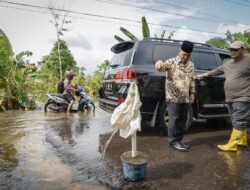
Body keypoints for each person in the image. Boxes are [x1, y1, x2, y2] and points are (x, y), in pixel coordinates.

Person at [197, 40, 250, 152]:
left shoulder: (248, 61)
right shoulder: (228, 64)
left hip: (243, 96)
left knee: (238, 120)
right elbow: (215, 71)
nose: (233, 51)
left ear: (243, 50)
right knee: (236, 120)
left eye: (236, 49)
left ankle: (232, 145)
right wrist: (201, 75)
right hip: (230, 97)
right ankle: (242, 140)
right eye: (231, 49)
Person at [155, 40, 195, 152]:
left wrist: (192, 93)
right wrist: (158, 63)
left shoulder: (191, 65)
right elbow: (161, 67)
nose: (185, 57)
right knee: (174, 119)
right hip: (173, 97)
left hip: (185, 97)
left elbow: (192, 80)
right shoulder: (171, 62)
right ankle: (173, 142)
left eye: (188, 55)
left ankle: (179, 140)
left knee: (183, 119)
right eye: (184, 54)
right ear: (179, 52)